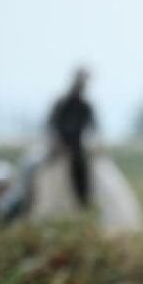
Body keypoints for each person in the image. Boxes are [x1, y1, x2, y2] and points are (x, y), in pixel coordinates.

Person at [47, 68, 98, 208]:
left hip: (76, 146)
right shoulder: (62, 103)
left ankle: (83, 201)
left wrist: (96, 145)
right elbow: (51, 124)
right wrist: (56, 142)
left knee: (82, 168)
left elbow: (93, 128)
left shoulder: (86, 106)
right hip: (59, 144)